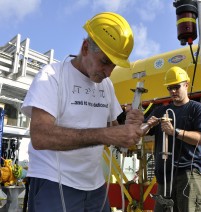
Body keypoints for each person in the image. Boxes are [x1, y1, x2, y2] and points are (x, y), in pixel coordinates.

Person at [21, 12, 144, 212]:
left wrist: (130, 127)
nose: (109, 72)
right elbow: (40, 136)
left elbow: (115, 129)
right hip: (54, 182)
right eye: (105, 62)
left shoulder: (106, 86)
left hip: (95, 186)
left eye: (114, 65)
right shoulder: (52, 76)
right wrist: (107, 135)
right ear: (85, 48)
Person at [143, 66, 201, 212]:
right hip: (164, 177)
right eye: (169, 88)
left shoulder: (197, 109)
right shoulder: (160, 111)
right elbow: (140, 133)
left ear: (186, 85)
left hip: (189, 175)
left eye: (176, 87)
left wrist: (175, 132)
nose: (172, 91)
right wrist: (147, 125)